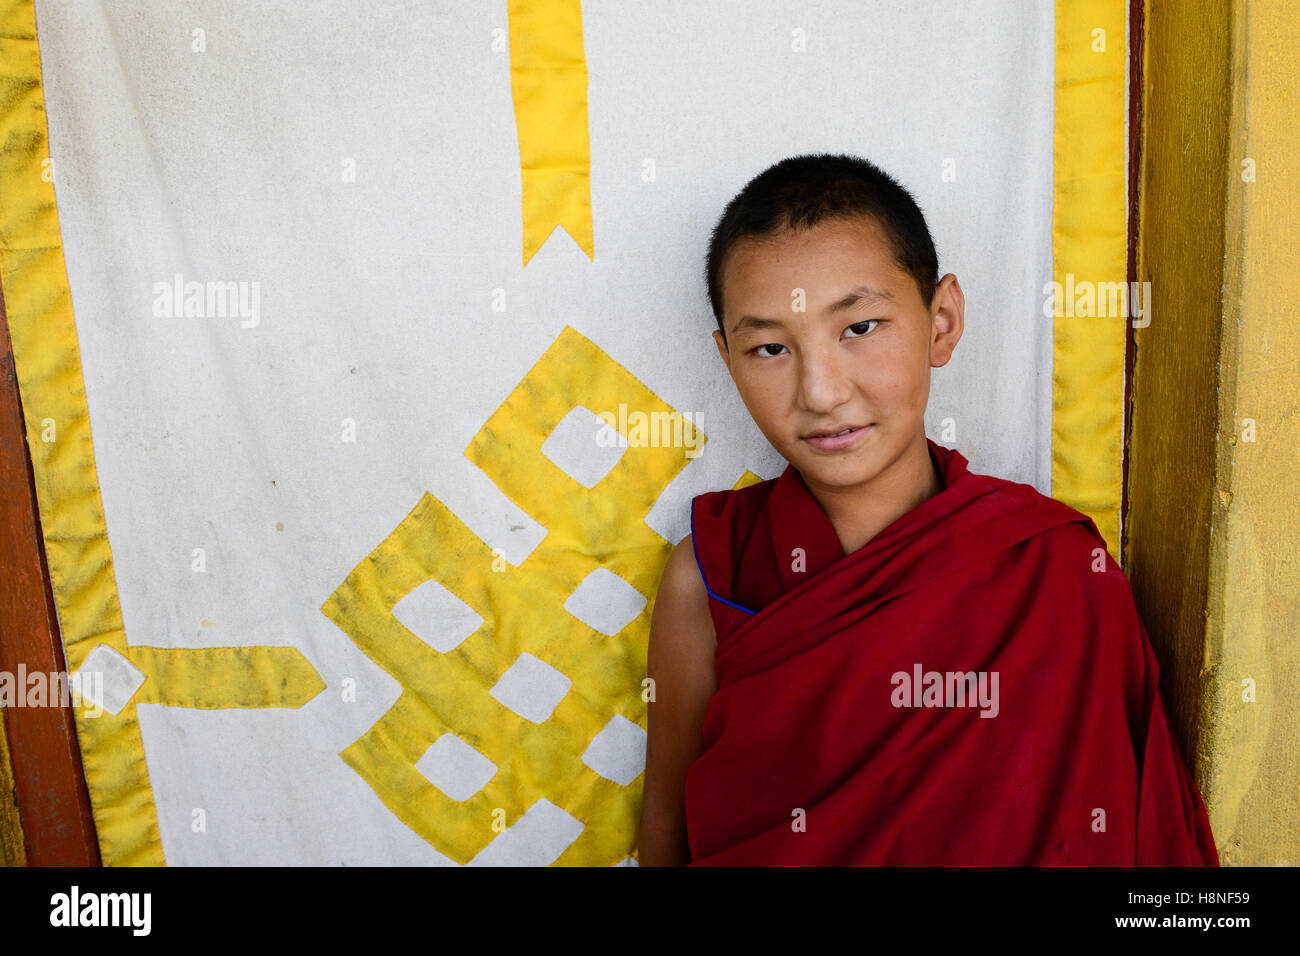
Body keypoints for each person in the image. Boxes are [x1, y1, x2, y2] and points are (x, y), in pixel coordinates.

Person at [636, 153, 1219, 866]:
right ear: (727, 359)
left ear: (942, 321)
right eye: (768, 347)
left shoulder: (1057, 567)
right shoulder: (710, 574)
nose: (820, 391)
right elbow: (668, 833)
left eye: (860, 328)